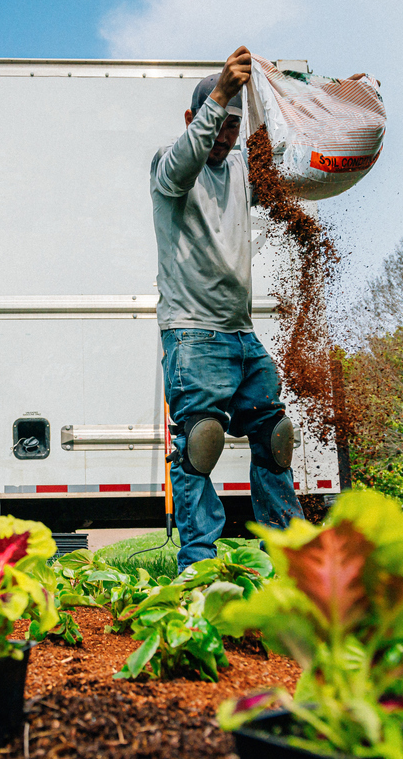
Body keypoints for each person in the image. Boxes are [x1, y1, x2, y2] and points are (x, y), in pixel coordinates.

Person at [150, 45, 303, 572]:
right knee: (200, 442)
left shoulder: (241, 166)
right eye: (216, 123)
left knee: (275, 436)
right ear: (193, 119)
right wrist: (220, 93)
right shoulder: (170, 166)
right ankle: (198, 568)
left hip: (241, 334)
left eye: (232, 126)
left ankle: (288, 558)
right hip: (193, 334)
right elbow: (182, 163)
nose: (225, 135)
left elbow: (297, 173)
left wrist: (327, 102)